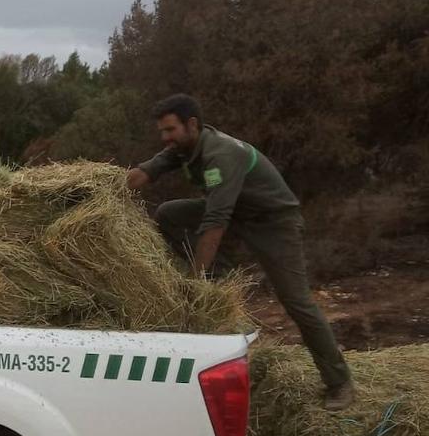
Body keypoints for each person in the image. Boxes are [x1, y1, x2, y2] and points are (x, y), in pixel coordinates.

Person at [126, 94, 354, 411]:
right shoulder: (183, 148)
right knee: (168, 213)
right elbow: (143, 173)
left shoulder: (222, 154)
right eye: (162, 131)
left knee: (296, 302)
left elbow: (215, 221)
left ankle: (339, 382)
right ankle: (222, 279)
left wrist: (196, 281)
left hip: (273, 223)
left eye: (170, 130)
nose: (165, 137)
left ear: (192, 124)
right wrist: (98, 189)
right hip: (237, 213)